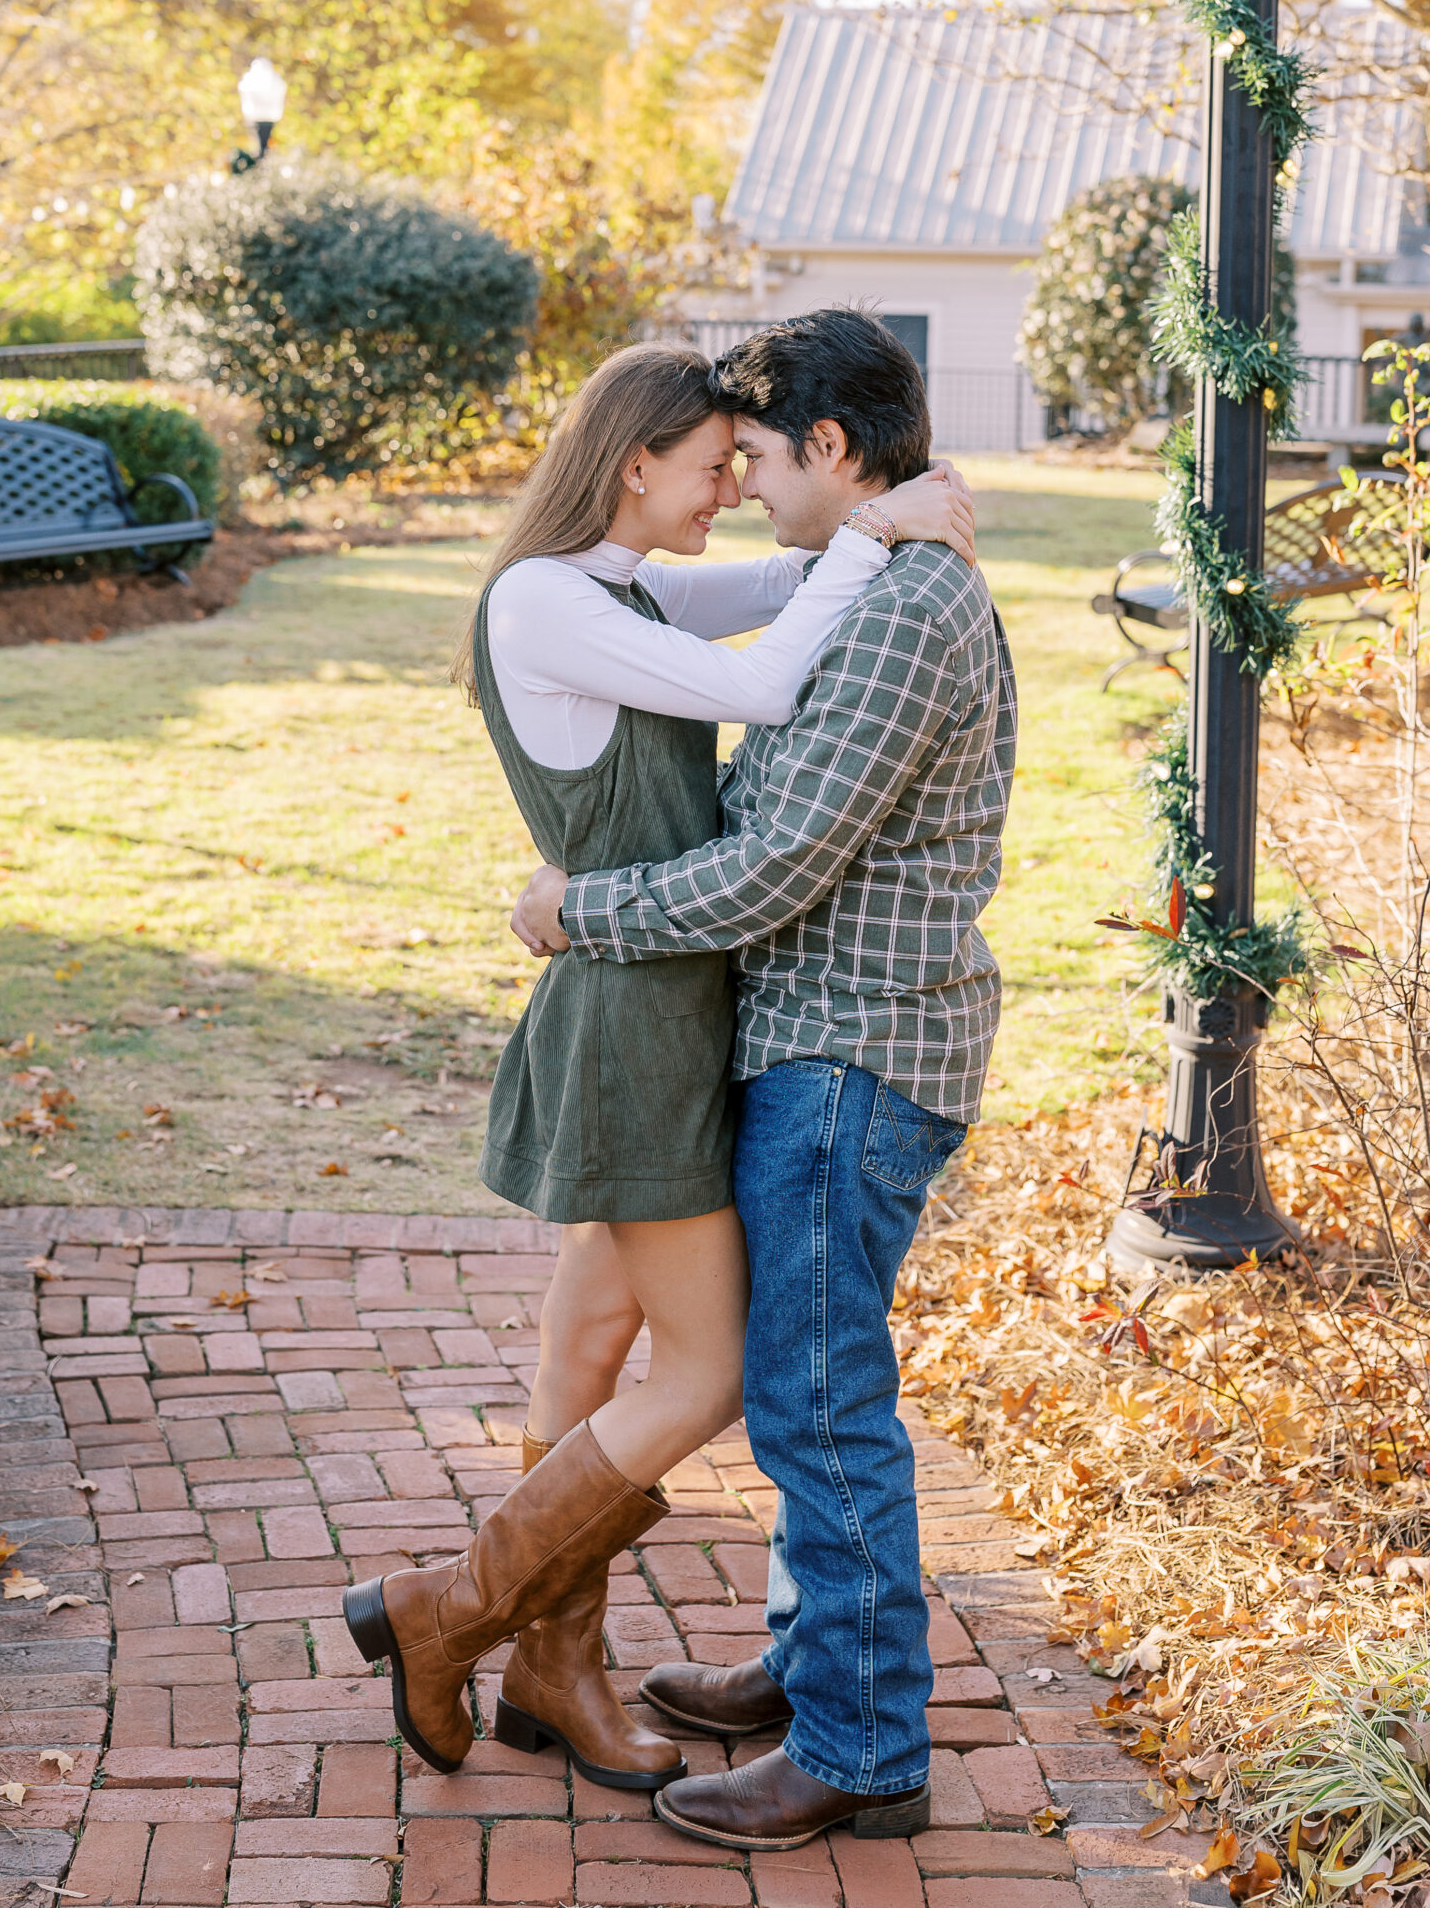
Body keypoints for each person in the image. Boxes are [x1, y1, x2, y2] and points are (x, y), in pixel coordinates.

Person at [342, 338, 974, 1795]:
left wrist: (890, 510)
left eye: (753, 463)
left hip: (656, 1001)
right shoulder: (548, 601)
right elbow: (751, 682)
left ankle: (554, 1665)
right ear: (637, 464)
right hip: (639, 1015)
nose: (732, 489)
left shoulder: (616, 584)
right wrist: (874, 525)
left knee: (585, 1348)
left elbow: (772, 588)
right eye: (713, 466)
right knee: (696, 1380)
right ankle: (452, 1611)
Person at [512, 308, 1017, 1854]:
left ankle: (863, 1752)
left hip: (854, 1055)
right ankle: (815, 1673)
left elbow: (775, 866)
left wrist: (573, 910)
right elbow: (738, 619)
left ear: (835, 451)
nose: (747, 484)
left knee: (814, 1399)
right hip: (832, 1043)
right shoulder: (877, 586)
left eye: (763, 455)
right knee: (807, 1380)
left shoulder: (905, 616)